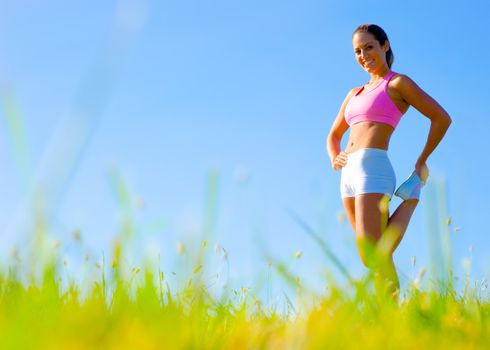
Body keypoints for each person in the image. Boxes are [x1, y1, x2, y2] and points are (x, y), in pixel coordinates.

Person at [326, 24, 451, 296]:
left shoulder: (397, 83)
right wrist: (335, 157)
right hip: (348, 176)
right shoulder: (353, 93)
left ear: (384, 45)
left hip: (373, 169)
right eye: (357, 51)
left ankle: (411, 198)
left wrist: (422, 159)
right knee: (374, 259)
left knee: (374, 253)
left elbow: (441, 118)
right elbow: (333, 135)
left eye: (369, 47)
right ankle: (390, 317)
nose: (363, 55)